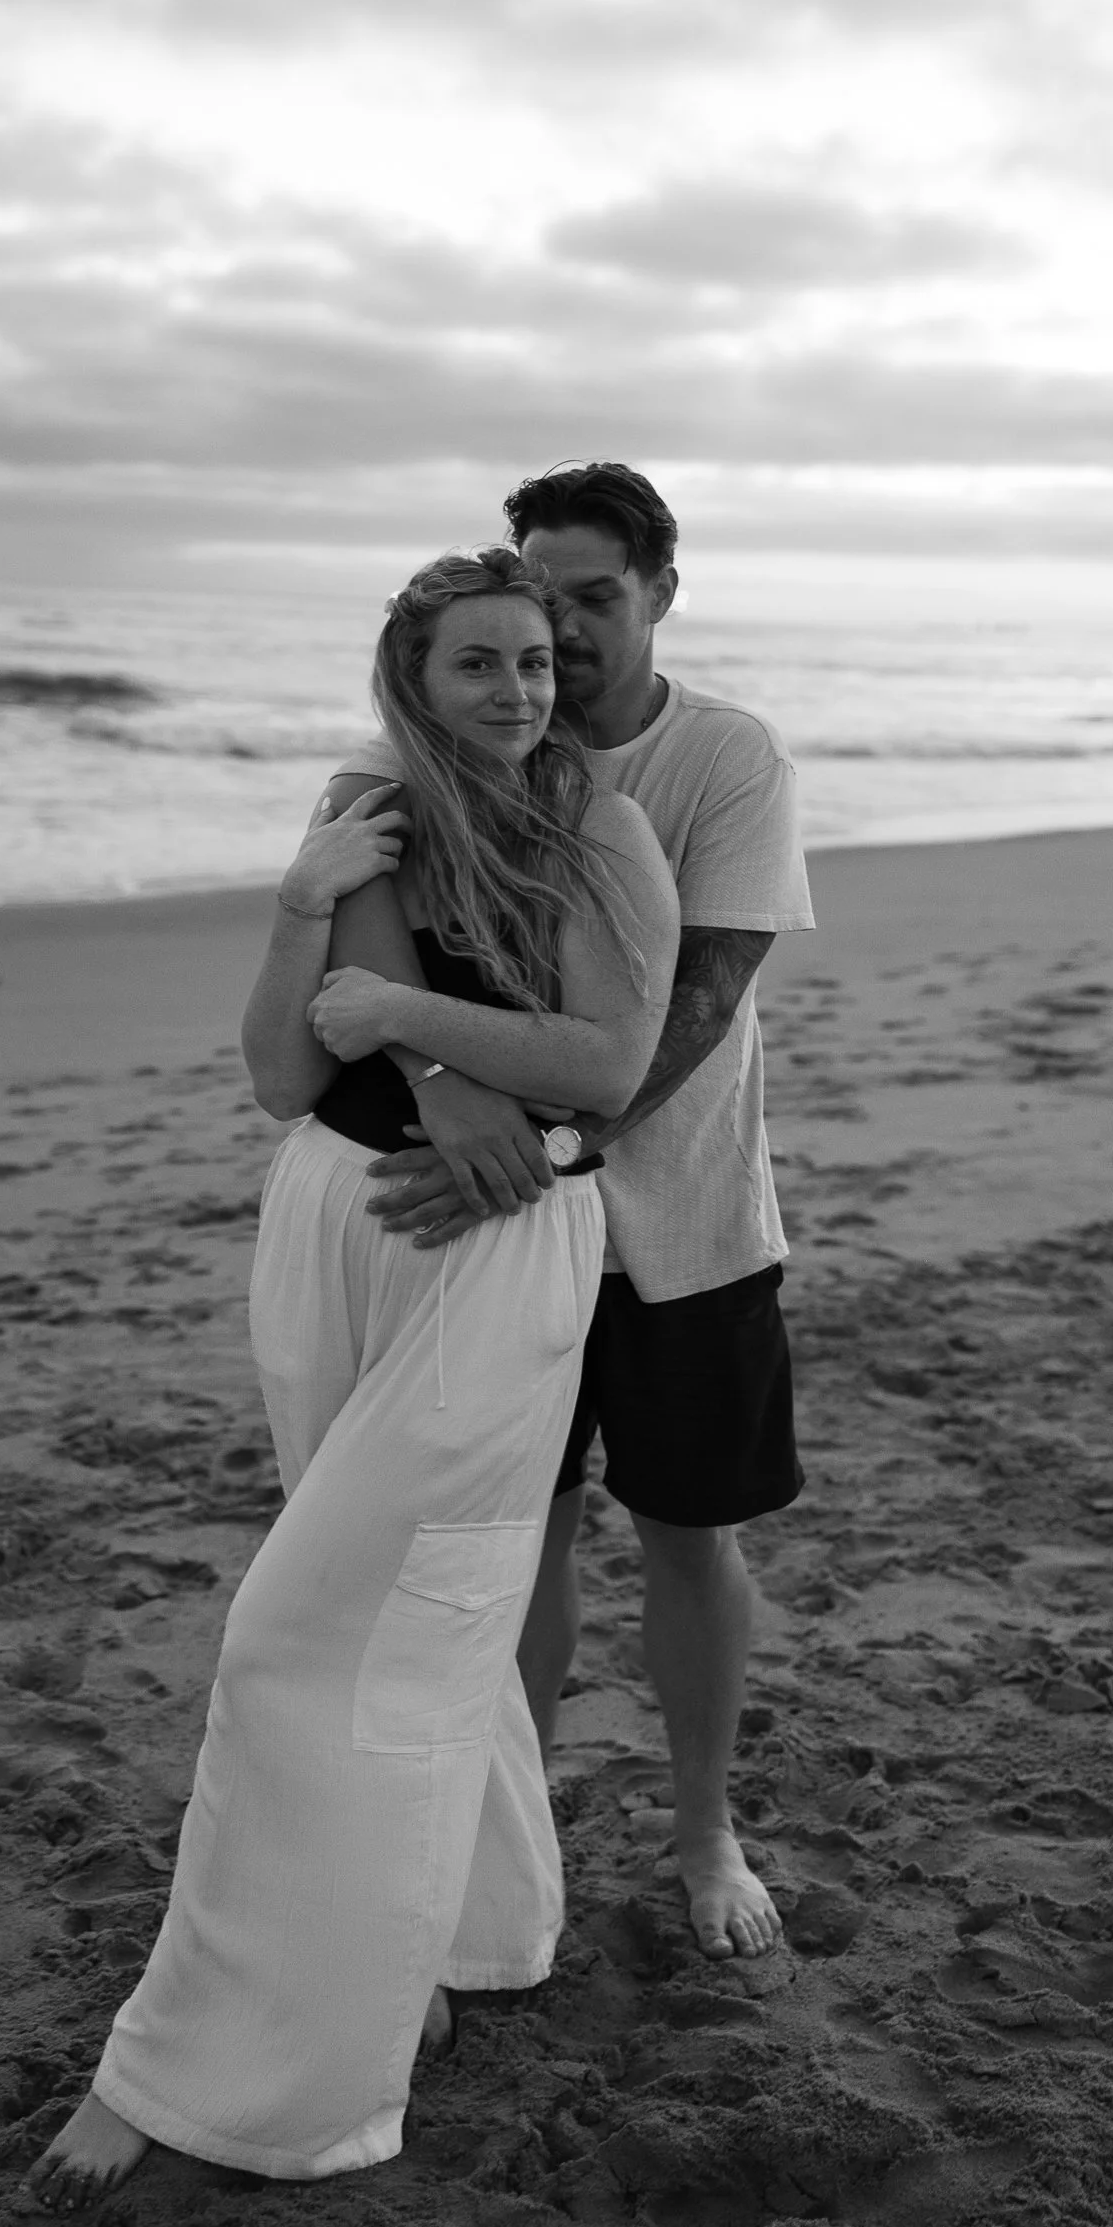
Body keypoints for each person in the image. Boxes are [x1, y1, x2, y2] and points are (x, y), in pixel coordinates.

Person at [30, 547, 678, 2203]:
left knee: (303, 1635)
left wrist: (407, 1016)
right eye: (480, 664)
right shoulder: (367, 809)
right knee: (422, 1617)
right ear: (410, 669)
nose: (518, 693)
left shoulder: (598, 832)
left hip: (499, 1251)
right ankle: (478, 1930)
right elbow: (275, 1069)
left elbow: (608, 1060)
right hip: (335, 1218)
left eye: (536, 662)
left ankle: (241, 2074)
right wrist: (306, 902)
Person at [327, 464, 815, 1965]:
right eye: (543, 603)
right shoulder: (441, 776)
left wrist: (529, 1137)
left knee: (688, 1537)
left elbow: (703, 1001)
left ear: (663, 592)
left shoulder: (721, 757)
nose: (567, 637)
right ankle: (512, 1849)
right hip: (496, 1233)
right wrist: (437, 1087)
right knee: (509, 1551)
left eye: (595, 600)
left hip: (687, 1227)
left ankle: (703, 1831)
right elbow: (367, 992)